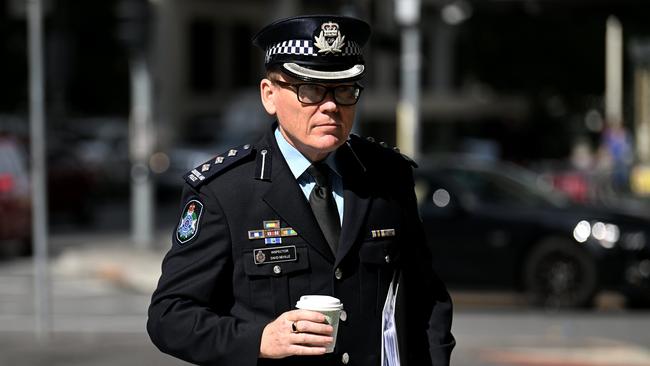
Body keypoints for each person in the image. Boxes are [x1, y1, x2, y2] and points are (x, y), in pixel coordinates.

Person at [147, 14, 455, 366]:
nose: (330, 106)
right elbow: (169, 316)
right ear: (270, 95)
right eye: (309, 90)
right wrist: (258, 340)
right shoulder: (225, 192)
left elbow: (426, 298)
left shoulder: (387, 176)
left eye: (344, 90)